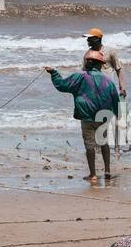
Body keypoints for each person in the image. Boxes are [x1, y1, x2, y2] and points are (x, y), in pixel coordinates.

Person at [45, 54, 120, 182]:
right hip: (103, 117)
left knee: (89, 145)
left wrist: (53, 73)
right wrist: (120, 116)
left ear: (87, 63)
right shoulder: (108, 81)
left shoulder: (79, 77)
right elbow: (115, 100)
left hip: (87, 117)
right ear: (100, 65)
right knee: (103, 142)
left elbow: (62, 85)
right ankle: (107, 171)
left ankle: (93, 174)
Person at [85, 29, 126, 151]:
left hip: (110, 91)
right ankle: (100, 146)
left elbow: (118, 68)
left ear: (97, 39)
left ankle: (118, 147)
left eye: (90, 38)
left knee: (116, 119)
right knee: (99, 119)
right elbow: (85, 73)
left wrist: (122, 87)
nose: (87, 40)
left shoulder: (110, 52)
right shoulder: (87, 54)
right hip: (95, 93)